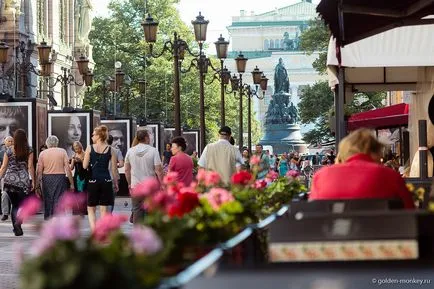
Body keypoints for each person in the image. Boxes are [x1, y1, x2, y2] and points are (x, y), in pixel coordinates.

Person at [309, 128, 415, 209]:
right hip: (381, 233)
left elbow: (314, 211)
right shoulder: (390, 176)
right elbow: (409, 212)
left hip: (333, 234)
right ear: (375, 152)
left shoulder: (322, 175)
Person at [83, 125, 119, 232]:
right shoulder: (111, 150)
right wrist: (116, 183)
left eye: (93, 134)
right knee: (104, 209)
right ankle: (103, 232)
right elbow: (114, 169)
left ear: (98, 136)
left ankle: (95, 232)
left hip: (93, 180)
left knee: (91, 208)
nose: (92, 136)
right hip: (106, 181)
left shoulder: (90, 147)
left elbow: (84, 166)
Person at [0, 129, 35, 236]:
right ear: (25, 138)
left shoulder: (8, 150)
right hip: (23, 181)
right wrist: (33, 180)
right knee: (23, 205)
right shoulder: (29, 150)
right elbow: (30, 166)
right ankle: (18, 222)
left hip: (9, 181)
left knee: (15, 205)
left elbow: (4, 167)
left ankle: (16, 227)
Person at [125, 130, 163, 223]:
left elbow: (127, 170)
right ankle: (151, 231)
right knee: (151, 210)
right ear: (146, 138)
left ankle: (138, 233)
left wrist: (129, 183)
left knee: (137, 210)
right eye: (149, 136)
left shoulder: (130, 151)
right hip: (150, 187)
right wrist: (162, 184)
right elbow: (158, 170)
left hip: (136, 186)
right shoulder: (153, 151)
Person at [37, 136, 74, 219]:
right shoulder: (62, 151)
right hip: (60, 178)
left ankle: (49, 217)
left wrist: (37, 185)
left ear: (47, 143)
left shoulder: (42, 153)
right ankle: (59, 217)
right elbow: (68, 169)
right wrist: (72, 183)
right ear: (57, 142)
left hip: (47, 178)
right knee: (60, 198)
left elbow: (39, 171)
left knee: (48, 198)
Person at [107, 134, 124, 213]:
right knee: (112, 198)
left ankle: (105, 215)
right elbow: (121, 164)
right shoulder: (117, 151)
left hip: (103, 177)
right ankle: (109, 214)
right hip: (114, 177)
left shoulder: (99, 150)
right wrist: (115, 164)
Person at [0, 136, 13, 221]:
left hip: (16, 176)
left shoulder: (17, 151)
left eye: (12, 141)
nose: (11, 143)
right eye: (9, 141)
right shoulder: (1, 152)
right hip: (5, 176)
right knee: (5, 194)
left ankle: (14, 213)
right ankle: (5, 213)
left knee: (15, 195)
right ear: (5, 143)